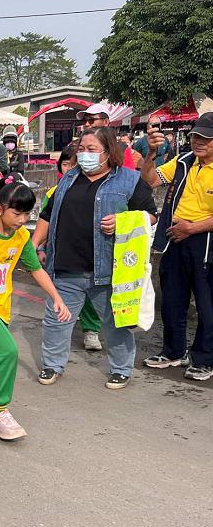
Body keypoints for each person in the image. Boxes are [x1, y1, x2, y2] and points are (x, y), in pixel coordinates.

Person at [33, 127, 157, 390]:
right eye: (81, 149)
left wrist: (123, 221)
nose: (85, 155)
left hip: (108, 270)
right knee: (56, 321)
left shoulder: (130, 181)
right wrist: (34, 245)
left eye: (91, 150)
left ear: (108, 152)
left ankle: (121, 369)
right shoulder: (68, 179)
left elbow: (150, 216)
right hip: (65, 266)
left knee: (115, 323)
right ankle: (52, 365)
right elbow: (47, 214)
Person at [0, 177, 71, 440]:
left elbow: (35, 270)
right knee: (7, 350)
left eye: (27, 213)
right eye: (17, 213)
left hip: (1, 302)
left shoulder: (21, 237)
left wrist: (57, 297)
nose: (22, 219)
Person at [141, 112, 213, 381]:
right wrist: (150, 154)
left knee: (207, 304)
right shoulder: (183, 161)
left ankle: (204, 358)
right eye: (196, 136)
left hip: (205, 241)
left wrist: (192, 227)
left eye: (206, 138)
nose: (198, 142)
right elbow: (150, 180)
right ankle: (173, 351)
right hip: (174, 239)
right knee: (172, 298)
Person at [41, 150, 104, 352]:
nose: (70, 168)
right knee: (59, 305)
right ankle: (53, 361)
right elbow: (45, 220)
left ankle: (91, 330)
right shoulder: (55, 192)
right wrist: (39, 247)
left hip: (92, 258)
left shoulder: (101, 190)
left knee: (92, 303)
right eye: (66, 164)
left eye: (74, 164)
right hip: (63, 258)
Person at [75, 104, 137, 170]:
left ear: (106, 122)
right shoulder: (75, 146)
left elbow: (129, 176)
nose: (86, 124)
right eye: (84, 121)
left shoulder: (122, 149)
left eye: (91, 120)